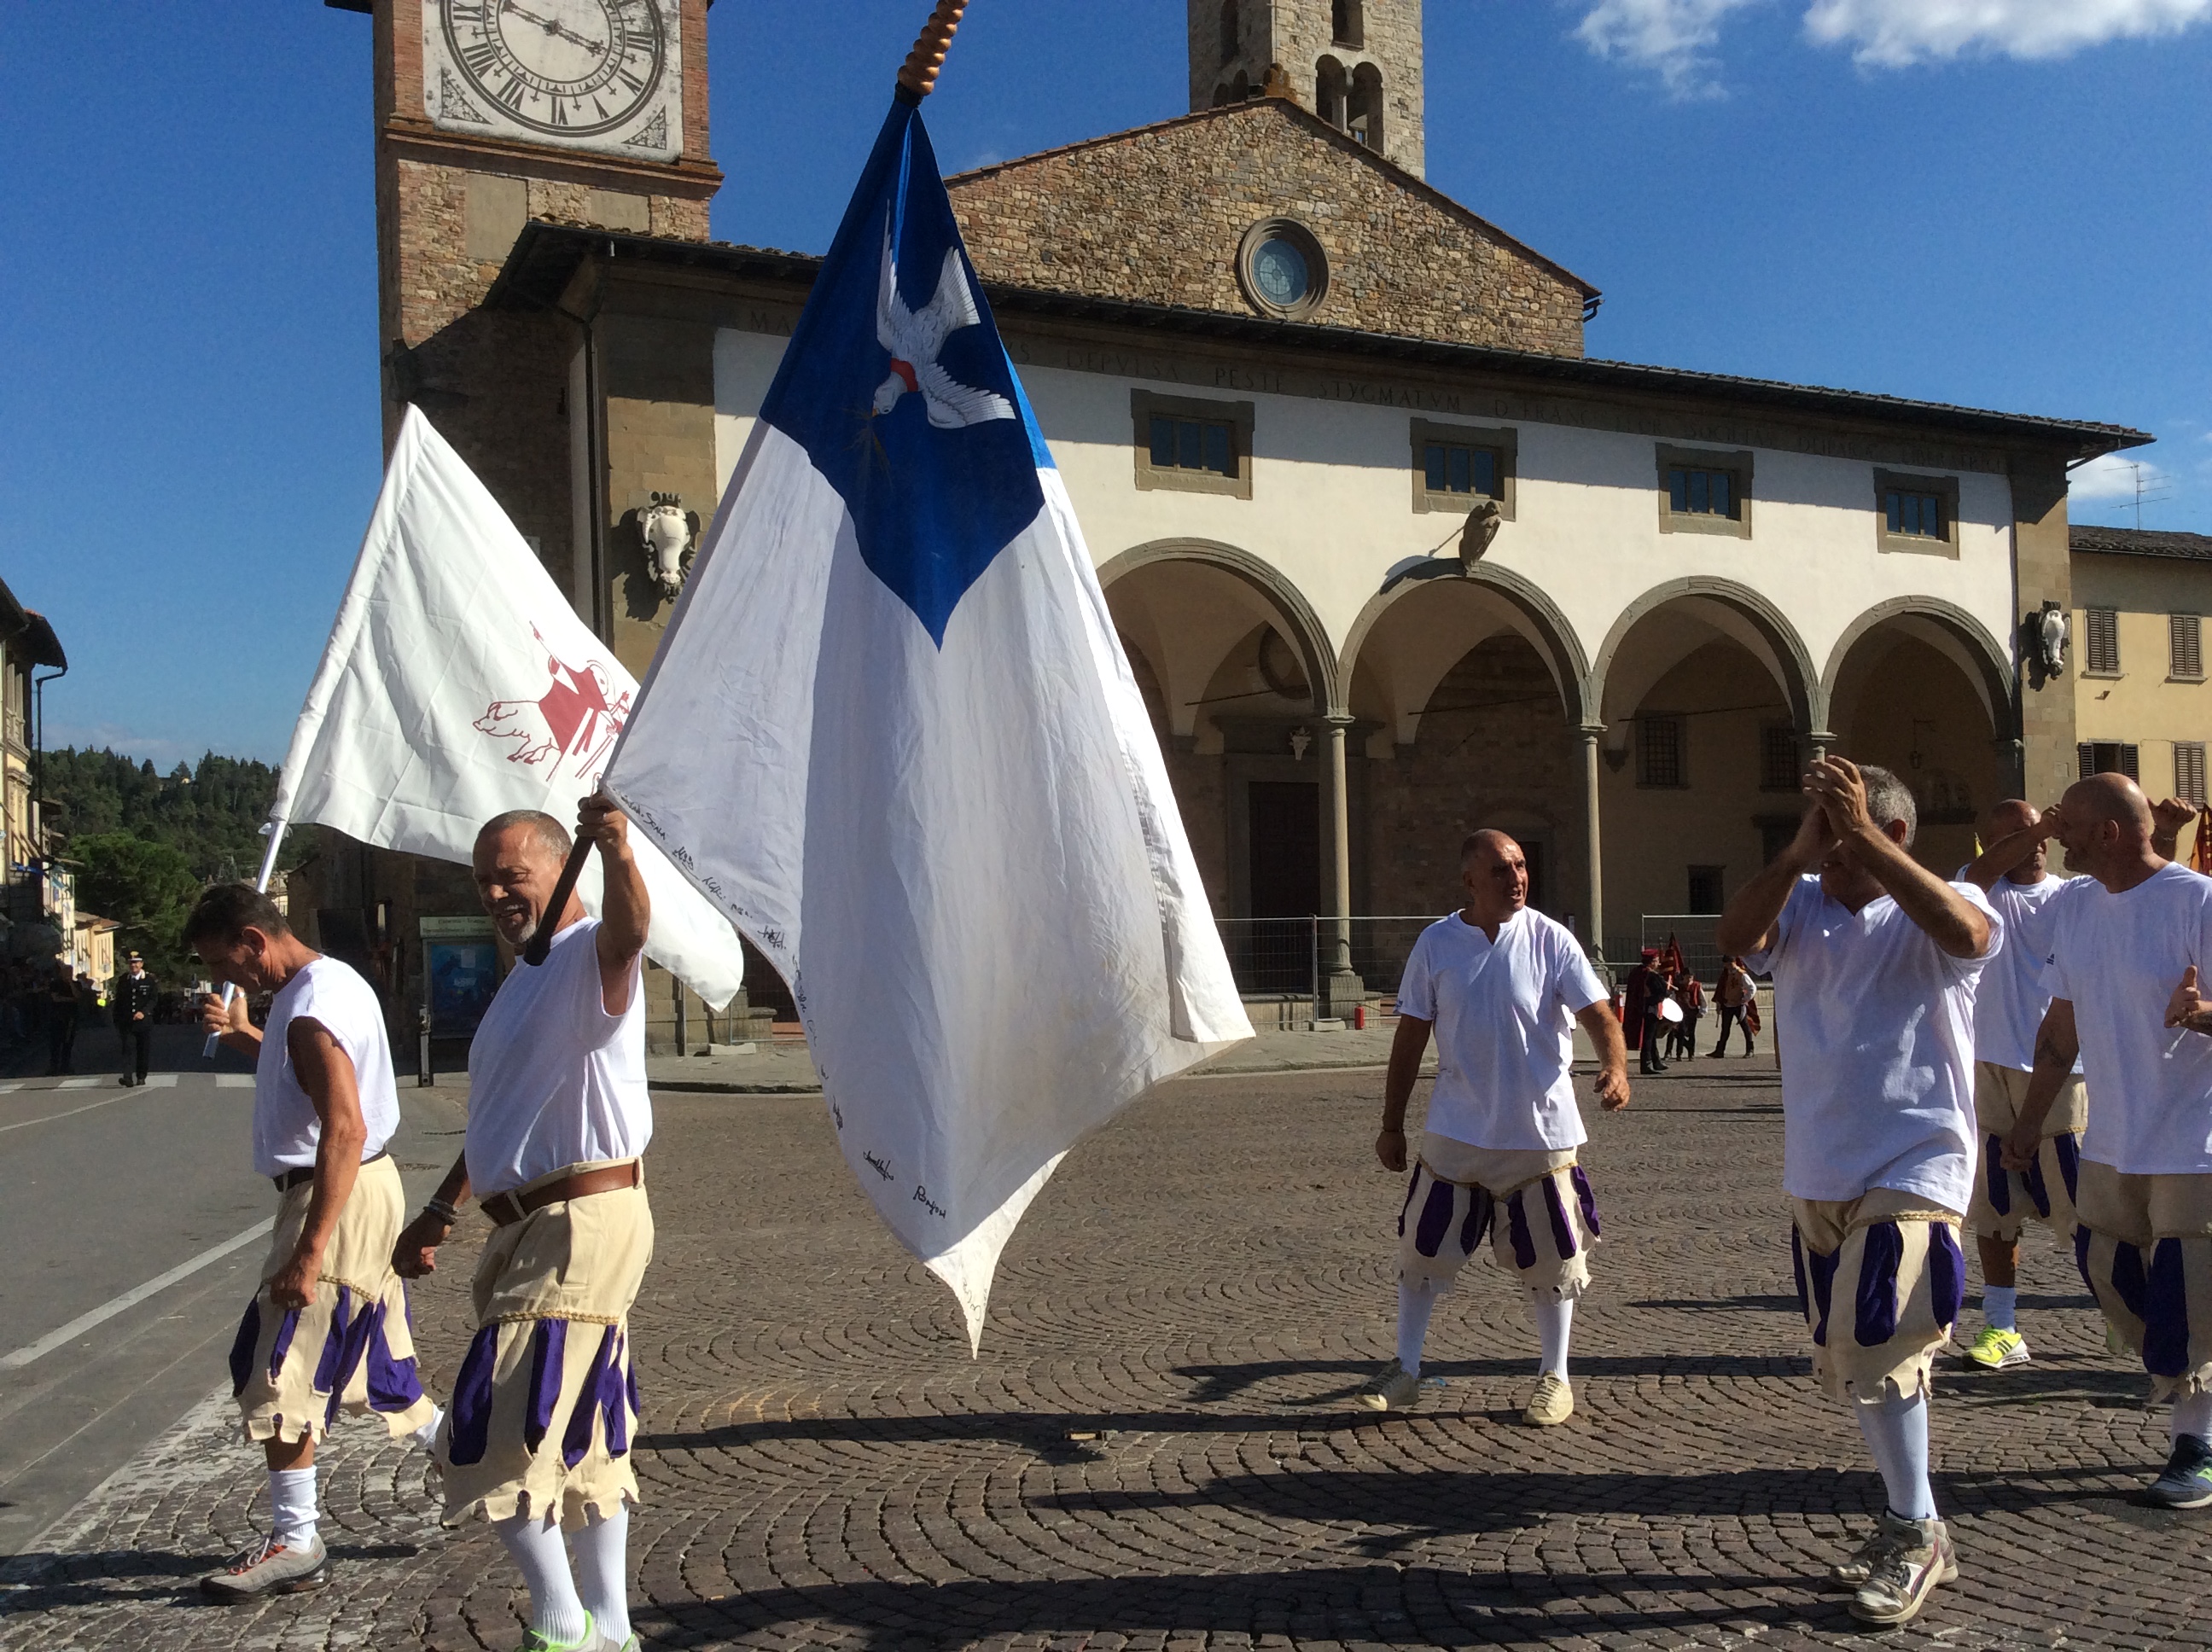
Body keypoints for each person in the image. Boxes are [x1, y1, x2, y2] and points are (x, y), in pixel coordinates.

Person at [1715, 757, 2000, 1627]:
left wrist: (1869, 844)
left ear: (1895, 833)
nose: (1830, 854)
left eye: (1841, 836)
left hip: (1917, 1160)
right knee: (1856, 1360)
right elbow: (1734, 934)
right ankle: (1914, 1519)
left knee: (1878, 1335)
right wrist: (1801, 852)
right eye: (1827, 837)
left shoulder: (1947, 901)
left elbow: (1968, 937)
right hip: (1821, 1165)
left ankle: (1914, 1530)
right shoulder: (1798, 905)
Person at [393, 796, 653, 1652]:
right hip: (531, 1221)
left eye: (514, 873)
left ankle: (561, 1624)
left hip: (579, 1219)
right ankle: (610, 1628)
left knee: (484, 1425)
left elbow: (629, 930)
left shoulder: (587, 953)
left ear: (560, 866)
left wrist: (616, 850)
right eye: (484, 879)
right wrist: (439, 1208)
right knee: (582, 1430)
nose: (497, 891)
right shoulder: (524, 980)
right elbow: (505, 1122)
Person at [189, 884, 439, 1601]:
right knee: (383, 1361)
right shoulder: (326, 985)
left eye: (227, 963)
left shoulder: (307, 1009)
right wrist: (247, 1038)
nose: (231, 979)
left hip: (337, 1192)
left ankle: (296, 1539)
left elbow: (345, 1125)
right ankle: (475, 1459)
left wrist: (308, 1251)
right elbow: (323, 1079)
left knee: (280, 1362)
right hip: (363, 1187)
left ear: (253, 939)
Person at [1358, 829, 1631, 1427]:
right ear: (1470, 881)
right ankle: (1405, 1369)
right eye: (1503, 869)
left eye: (1522, 866)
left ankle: (1554, 1377)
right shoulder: (1436, 944)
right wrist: (1391, 1125)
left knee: (1554, 1256)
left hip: (1540, 1133)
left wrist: (1615, 1067)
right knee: (1421, 1248)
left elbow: (1601, 1016)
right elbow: (1410, 1037)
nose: (1517, 878)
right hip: (1456, 1129)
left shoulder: (1551, 940)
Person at [2010, 773, 2212, 1509]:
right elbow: (2060, 1032)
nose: (2057, 828)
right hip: (2112, 1141)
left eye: (2071, 820)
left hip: (2193, 1142)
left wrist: (2204, 1013)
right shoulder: (2079, 911)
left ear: (2111, 834)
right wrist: (2029, 1124)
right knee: (2108, 1270)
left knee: (2184, 1301)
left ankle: (2196, 1443)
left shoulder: (2197, 900)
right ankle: (2190, 1393)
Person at [1952, 800, 2091, 1371]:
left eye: (2036, 829)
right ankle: (2002, 1327)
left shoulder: (2073, 897)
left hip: (2065, 1072)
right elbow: (1981, 873)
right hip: (1987, 1071)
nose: (2033, 840)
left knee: (2085, 1206)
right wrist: (2034, 829)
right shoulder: (1975, 889)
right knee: (1992, 1212)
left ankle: (2120, 1309)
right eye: (2011, 833)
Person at [112, 951, 156, 1085]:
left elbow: (153, 999)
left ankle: (141, 1075)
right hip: (126, 1022)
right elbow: (119, 1000)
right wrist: (116, 1018)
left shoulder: (149, 980)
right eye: (131, 963)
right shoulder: (123, 980)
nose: (133, 965)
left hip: (143, 1022)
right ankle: (127, 1077)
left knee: (143, 1050)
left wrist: (144, 1012)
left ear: (141, 964)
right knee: (127, 1049)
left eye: (136, 962)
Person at [1710, 957, 1754, 1056]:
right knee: (1725, 1029)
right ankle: (1720, 1051)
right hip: (1727, 1004)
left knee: (1745, 1027)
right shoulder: (1725, 975)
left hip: (1739, 1005)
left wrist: (1745, 999)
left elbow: (1751, 987)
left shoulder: (1741, 974)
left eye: (1729, 964)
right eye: (1726, 965)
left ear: (1734, 962)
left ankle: (1750, 1050)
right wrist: (1719, 1003)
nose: (1727, 966)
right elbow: (1721, 989)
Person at [44, 957, 79, 1076]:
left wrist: (70, 984)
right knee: (55, 1043)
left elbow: (78, 996)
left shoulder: (76, 984)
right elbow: (56, 998)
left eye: (70, 972)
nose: (68, 974)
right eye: (66, 972)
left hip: (71, 1017)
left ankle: (65, 1066)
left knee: (68, 1043)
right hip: (57, 1016)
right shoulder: (55, 984)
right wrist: (70, 999)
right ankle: (53, 1067)